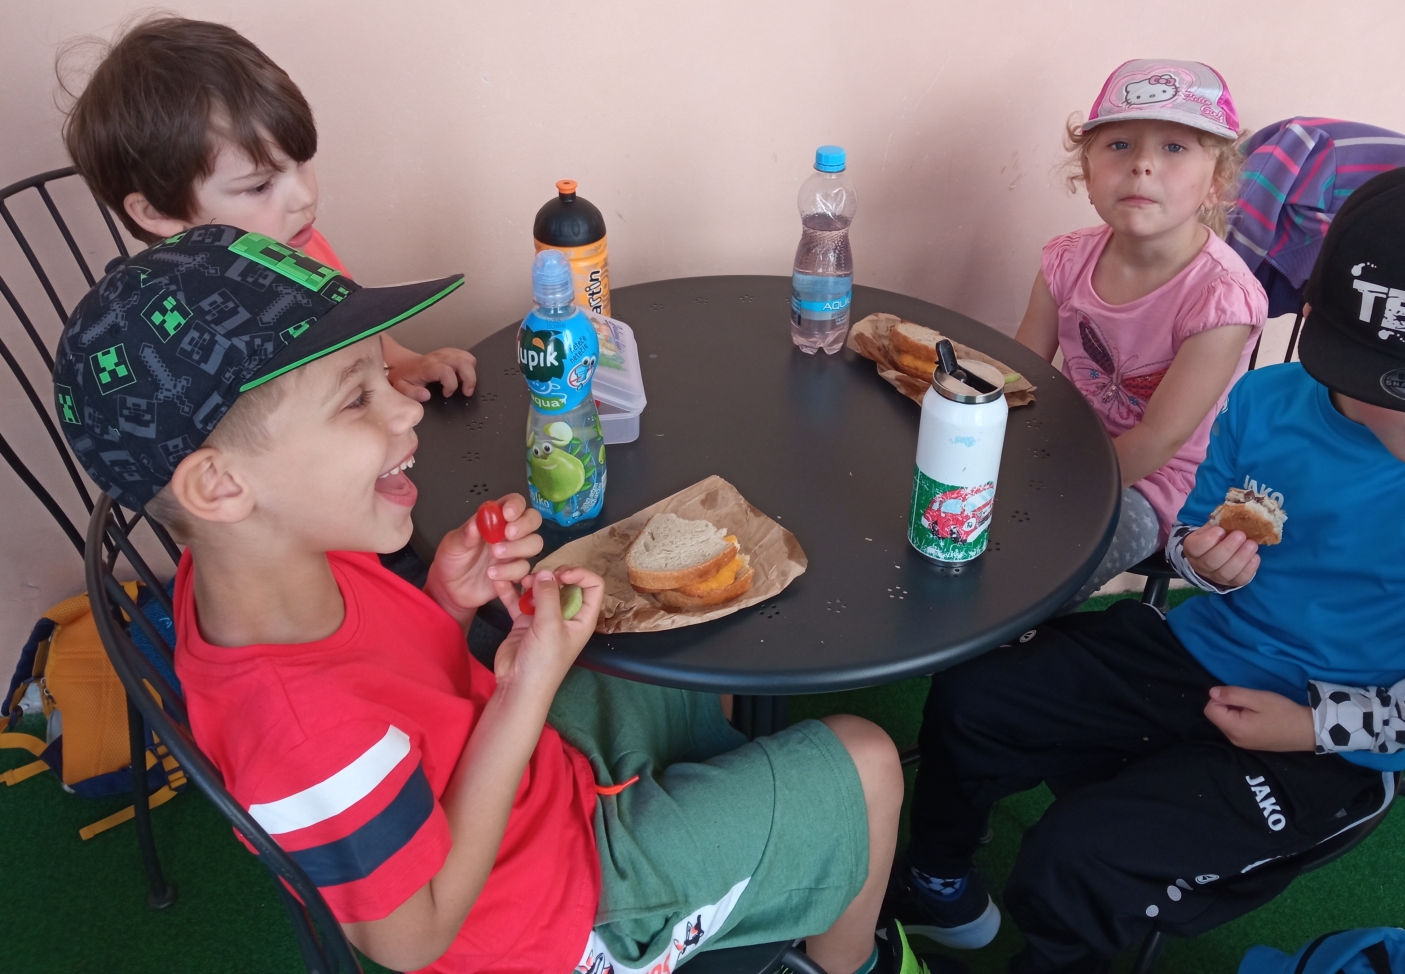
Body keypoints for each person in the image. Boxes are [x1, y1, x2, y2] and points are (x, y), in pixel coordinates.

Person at [51, 225, 956, 974]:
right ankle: (848, 959)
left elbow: (394, 696)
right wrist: (524, 692)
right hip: (554, 918)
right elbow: (412, 936)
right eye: (356, 400)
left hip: (539, 790)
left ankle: (740, 845)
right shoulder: (296, 732)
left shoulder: (273, 562)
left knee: (666, 641)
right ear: (219, 486)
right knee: (868, 761)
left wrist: (446, 601)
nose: (404, 408)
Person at [888, 165, 1405, 974]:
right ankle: (940, 883)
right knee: (974, 697)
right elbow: (1190, 538)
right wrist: (1206, 563)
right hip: (1197, 649)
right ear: (1328, 334)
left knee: (1080, 856)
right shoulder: (1267, 401)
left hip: (1336, 744)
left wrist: (1313, 724)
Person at [60, 14, 477, 403]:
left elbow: (354, 328)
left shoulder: (295, 248)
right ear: (157, 213)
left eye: (302, 163)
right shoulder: (180, 333)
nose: (305, 197)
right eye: (259, 186)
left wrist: (401, 362)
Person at [1013, 59, 1267, 613]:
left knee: (1054, 565)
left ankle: (1019, 635)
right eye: (1120, 145)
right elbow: (1020, 375)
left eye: (1174, 148)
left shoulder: (1221, 299)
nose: (1142, 164)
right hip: (1065, 441)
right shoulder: (1065, 260)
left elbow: (1159, 440)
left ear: (1215, 184)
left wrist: (1053, 489)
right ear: (1088, 172)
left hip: (1157, 482)